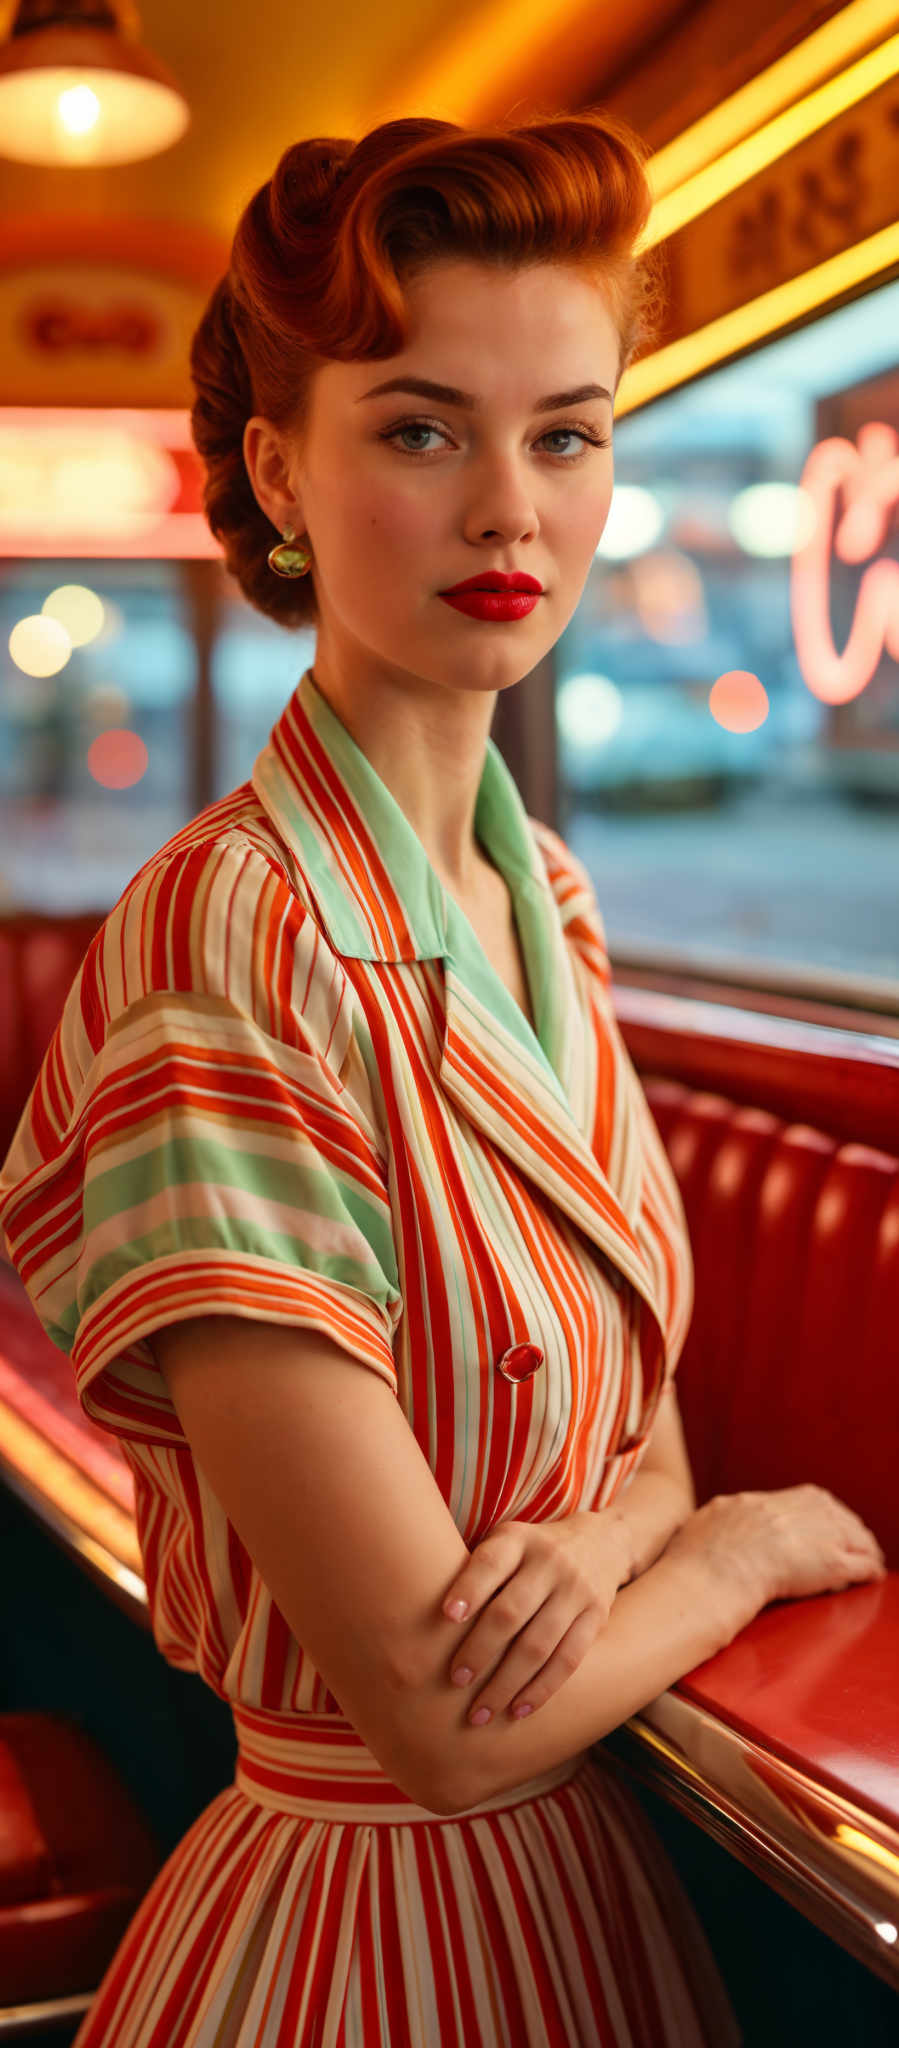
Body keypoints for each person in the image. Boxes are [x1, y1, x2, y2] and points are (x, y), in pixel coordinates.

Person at [0, 109, 886, 2048]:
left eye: (566, 431)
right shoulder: (220, 937)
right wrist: (725, 1539)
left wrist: (605, 1532)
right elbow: (436, 1715)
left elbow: (633, 1421)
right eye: (422, 427)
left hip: (599, 1899)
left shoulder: (541, 893)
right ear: (276, 469)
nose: (513, 507)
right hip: (366, 1922)